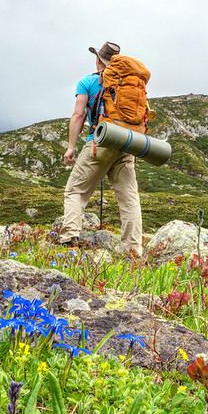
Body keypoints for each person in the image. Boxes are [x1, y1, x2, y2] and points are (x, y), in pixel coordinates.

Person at [59, 41, 143, 255]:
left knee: (75, 190)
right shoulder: (131, 84)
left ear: (97, 60)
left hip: (101, 140)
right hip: (128, 142)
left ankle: (69, 238)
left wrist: (71, 147)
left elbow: (78, 115)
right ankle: (133, 249)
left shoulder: (87, 82)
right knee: (129, 197)